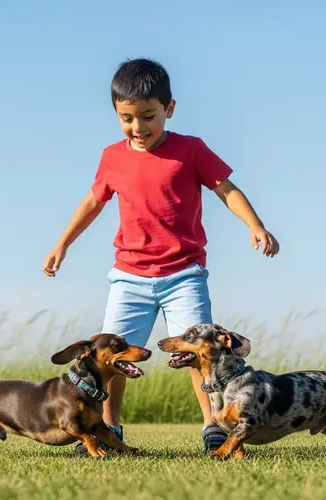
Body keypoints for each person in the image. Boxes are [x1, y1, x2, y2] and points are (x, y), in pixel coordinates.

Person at [43, 58, 280, 454]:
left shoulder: (190, 149)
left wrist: (254, 225)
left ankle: (214, 427)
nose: (139, 128)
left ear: (169, 109)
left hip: (184, 275)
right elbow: (92, 202)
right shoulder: (112, 157)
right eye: (127, 118)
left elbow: (226, 189)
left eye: (149, 116)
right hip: (128, 276)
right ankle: (109, 427)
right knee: (113, 358)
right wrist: (62, 243)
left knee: (202, 354)